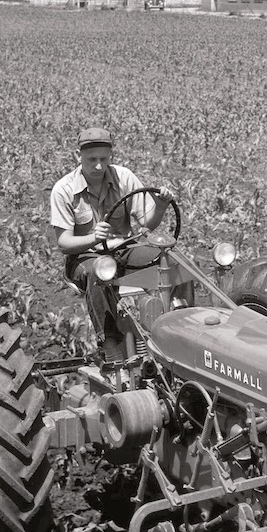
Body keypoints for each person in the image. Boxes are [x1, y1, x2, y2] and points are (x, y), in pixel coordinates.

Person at [50, 127, 174, 363]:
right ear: (79, 156)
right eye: (92, 160)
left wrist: (159, 206)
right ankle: (110, 344)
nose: (98, 166)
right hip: (85, 256)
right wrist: (93, 238)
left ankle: (172, 324)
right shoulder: (64, 190)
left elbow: (147, 223)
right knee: (101, 270)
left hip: (124, 249)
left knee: (170, 259)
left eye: (104, 159)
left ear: (111, 157)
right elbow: (64, 243)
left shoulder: (124, 178)